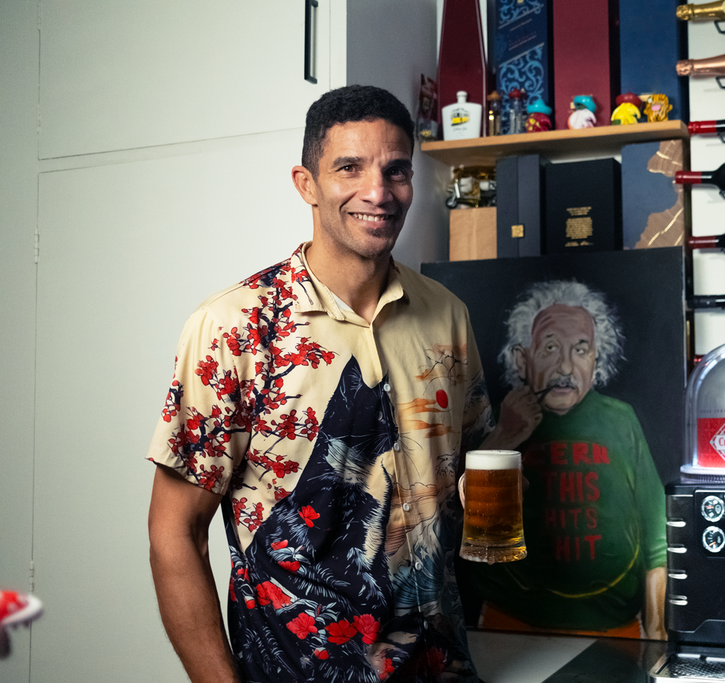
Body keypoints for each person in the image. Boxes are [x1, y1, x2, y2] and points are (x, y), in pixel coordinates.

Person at [146, 85, 496, 683]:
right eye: (349, 168)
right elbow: (173, 532)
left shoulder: (449, 315)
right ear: (306, 183)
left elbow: (466, 471)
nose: (378, 192)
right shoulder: (234, 326)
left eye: (396, 171)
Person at [468, 280, 668, 640]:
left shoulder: (621, 420)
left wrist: (656, 633)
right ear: (522, 359)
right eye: (549, 348)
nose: (565, 366)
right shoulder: (496, 420)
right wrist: (505, 438)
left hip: (617, 630)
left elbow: (657, 543)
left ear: (596, 359)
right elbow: (484, 546)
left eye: (580, 350)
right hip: (511, 629)